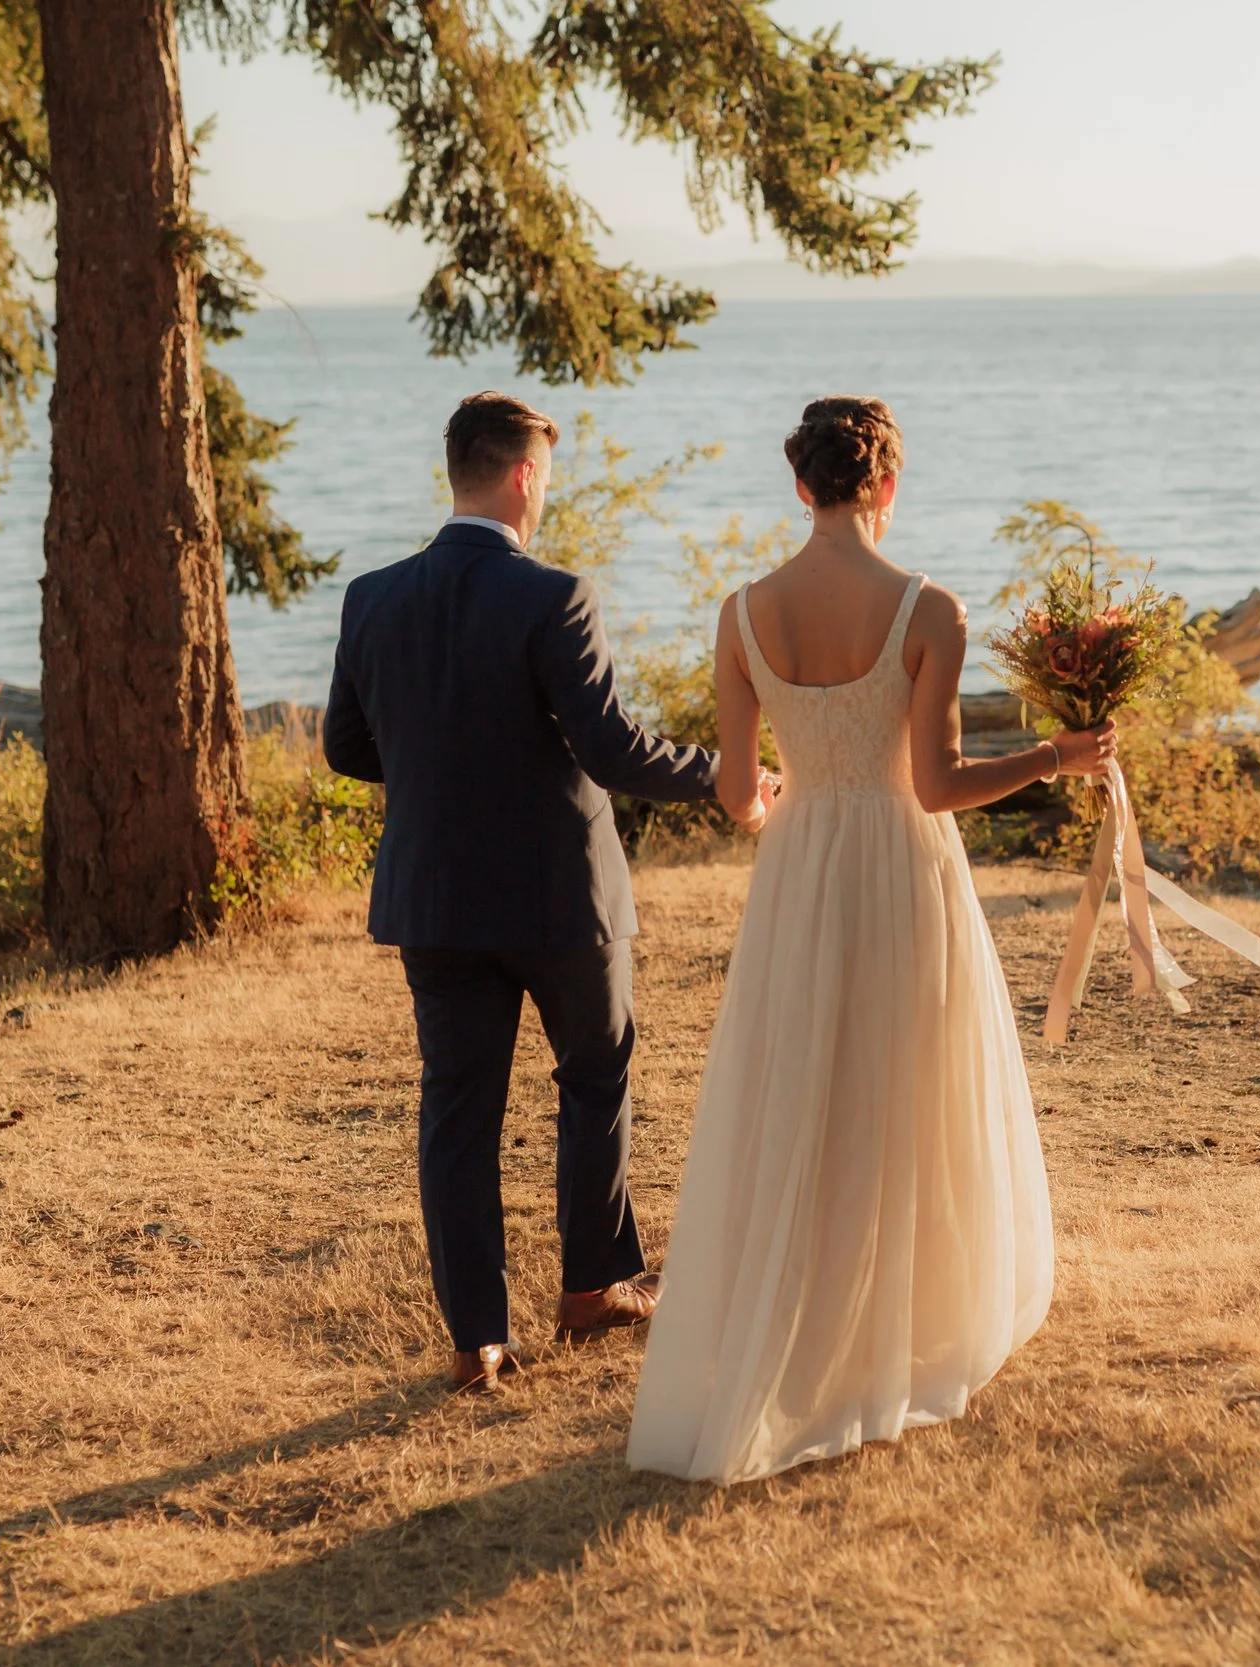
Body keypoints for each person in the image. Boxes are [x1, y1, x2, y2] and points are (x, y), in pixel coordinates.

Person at [625, 396, 1116, 1483]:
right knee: (906, 1084)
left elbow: (732, 794)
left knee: (802, 1082)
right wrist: (1047, 756)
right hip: (900, 864)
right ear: (887, 486)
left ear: (800, 486)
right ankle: (899, 1316)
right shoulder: (927, 608)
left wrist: (775, 801)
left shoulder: (743, 611)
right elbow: (937, 786)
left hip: (799, 869)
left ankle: (800, 1318)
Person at [323, 392, 726, 1392]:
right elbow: (609, 746)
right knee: (595, 1074)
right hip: (559, 897)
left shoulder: (372, 595)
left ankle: (477, 1341)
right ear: (521, 475)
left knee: (457, 1110)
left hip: (436, 899)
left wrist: (439, 771)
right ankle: (593, 1285)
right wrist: (721, 774)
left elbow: (344, 745)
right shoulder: (554, 596)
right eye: (543, 473)